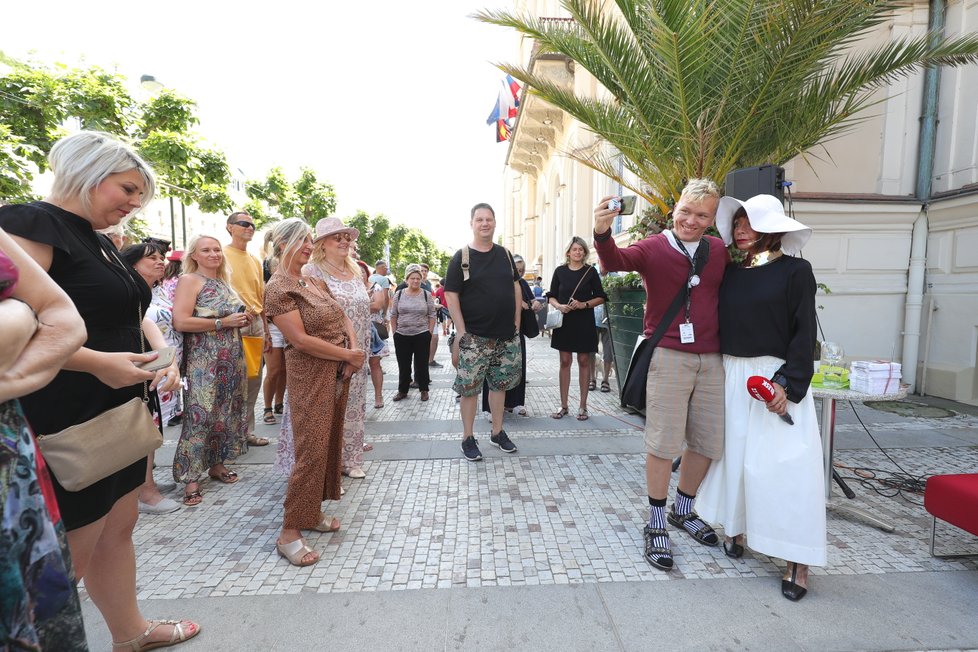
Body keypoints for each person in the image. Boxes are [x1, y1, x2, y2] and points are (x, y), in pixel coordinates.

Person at [0, 131, 199, 649]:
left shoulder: (94, 236)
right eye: (127, 189)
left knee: (118, 525)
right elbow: (17, 328)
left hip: (116, 406)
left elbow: (130, 309)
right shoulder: (29, 223)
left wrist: (160, 352)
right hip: (66, 410)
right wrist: (95, 365)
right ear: (87, 172)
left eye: (140, 196)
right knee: (67, 555)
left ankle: (130, 632)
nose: (134, 205)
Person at [593, 178, 728, 572]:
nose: (690, 220)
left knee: (707, 440)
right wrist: (602, 233)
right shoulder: (654, 247)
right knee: (664, 442)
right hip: (668, 354)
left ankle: (682, 509)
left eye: (701, 214)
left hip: (712, 356)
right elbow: (616, 262)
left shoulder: (717, 251)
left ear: (712, 218)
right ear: (675, 208)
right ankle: (655, 521)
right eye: (685, 210)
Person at [697, 194, 825, 601]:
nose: (740, 230)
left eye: (748, 222)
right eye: (736, 223)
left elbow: (804, 333)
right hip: (733, 374)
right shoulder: (731, 273)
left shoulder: (796, 271)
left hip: (775, 375)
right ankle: (736, 528)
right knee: (735, 458)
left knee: (785, 468)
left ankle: (797, 562)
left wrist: (788, 383)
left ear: (771, 227)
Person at [0, 226, 88, 650]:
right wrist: (18, 319)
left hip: (11, 455)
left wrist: (9, 378)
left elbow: (63, 317)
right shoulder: (34, 222)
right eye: (127, 188)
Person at [264, 218, 366, 566]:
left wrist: (354, 351)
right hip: (310, 377)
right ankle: (289, 532)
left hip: (338, 371)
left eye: (310, 241)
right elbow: (300, 340)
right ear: (281, 246)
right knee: (310, 452)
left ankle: (312, 513)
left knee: (327, 446)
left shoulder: (310, 277)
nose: (308, 246)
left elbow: (342, 316)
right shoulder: (278, 288)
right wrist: (348, 355)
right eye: (300, 241)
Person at [171, 234, 250, 506]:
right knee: (200, 415)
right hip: (204, 361)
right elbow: (181, 321)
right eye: (206, 250)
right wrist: (223, 322)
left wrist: (242, 318)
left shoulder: (222, 282)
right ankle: (190, 477)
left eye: (217, 249)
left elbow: (227, 316)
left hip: (231, 358)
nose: (214, 254)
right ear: (194, 255)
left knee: (224, 414)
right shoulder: (189, 280)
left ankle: (216, 464)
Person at [444, 203, 522, 462]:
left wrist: (517, 324)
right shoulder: (461, 257)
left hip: (505, 336)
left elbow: (516, 287)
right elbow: (451, 295)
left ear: (495, 222)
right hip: (475, 337)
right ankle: (468, 437)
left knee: (499, 386)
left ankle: (497, 432)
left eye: (489, 219)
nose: (485, 223)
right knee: (469, 390)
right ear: (472, 223)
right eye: (480, 219)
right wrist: (462, 331)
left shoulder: (505, 255)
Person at [305, 217, 371, 479]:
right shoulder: (312, 271)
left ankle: (351, 459)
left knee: (355, 404)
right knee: (329, 409)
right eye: (337, 237)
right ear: (322, 244)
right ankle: (328, 470)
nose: (344, 241)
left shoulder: (355, 270)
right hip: (331, 350)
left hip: (359, 349)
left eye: (347, 237)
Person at [120, 241, 182, 516]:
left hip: (159, 366)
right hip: (140, 367)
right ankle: (146, 493)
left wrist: (169, 360)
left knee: (154, 427)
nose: (160, 261)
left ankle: (148, 484)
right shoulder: (128, 291)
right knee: (145, 428)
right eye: (151, 258)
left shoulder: (156, 290)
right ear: (132, 264)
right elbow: (143, 322)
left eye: (161, 257)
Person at [223, 211, 270, 447]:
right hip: (232, 323)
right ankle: (230, 435)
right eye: (244, 224)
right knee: (233, 380)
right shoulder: (220, 254)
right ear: (230, 227)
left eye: (252, 225)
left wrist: (266, 329)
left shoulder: (255, 259)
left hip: (256, 324)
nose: (249, 228)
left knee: (253, 378)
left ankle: (246, 432)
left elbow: (260, 294)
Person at [547, 237, 606, 421]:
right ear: (568, 252)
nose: (578, 252)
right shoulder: (559, 271)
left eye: (581, 249)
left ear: (585, 252)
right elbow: (551, 296)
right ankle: (563, 405)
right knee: (564, 361)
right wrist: (559, 306)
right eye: (575, 249)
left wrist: (584, 304)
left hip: (584, 320)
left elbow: (601, 297)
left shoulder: (590, 272)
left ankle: (583, 406)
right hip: (565, 321)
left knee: (583, 361)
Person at [481, 254, 535, 418]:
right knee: (491, 369)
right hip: (493, 331)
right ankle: (490, 408)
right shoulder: (493, 282)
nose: (518, 273)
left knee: (517, 367)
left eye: (521, 270)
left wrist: (531, 304)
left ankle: (515, 403)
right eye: (516, 269)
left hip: (516, 331)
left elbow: (531, 301)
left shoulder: (523, 283)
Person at [390, 264, 437, 402]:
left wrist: (429, 332)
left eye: (418, 278)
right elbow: (393, 315)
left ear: (421, 280)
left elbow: (432, 315)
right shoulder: (398, 294)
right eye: (412, 278)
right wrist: (394, 332)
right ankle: (402, 390)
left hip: (421, 334)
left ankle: (424, 389)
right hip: (402, 334)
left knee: (422, 363)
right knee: (403, 364)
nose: (415, 281)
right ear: (407, 279)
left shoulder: (425, 294)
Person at [262, 232, 287, 424]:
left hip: (289, 328)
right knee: (273, 370)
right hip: (272, 328)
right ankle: (267, 407)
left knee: (285, 369)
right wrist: (266, 332)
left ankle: (279, 403)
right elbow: (262, 308)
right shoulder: (266, 283)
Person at [359, 260, 389, 411]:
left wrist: (355, 306)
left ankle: (378, 396)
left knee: (375, 364)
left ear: (367, 273)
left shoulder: (375, 286)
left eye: (362, 271)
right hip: (355, 329)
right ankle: (357, 398)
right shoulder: (350, 288)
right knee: (356, 365)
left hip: (373, 330)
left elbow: (378, 305)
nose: (360, 273)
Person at [160, 249, 184, 425]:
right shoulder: (180, 281)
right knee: (177, 369)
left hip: (165, 326)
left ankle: (172, 408)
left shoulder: (164, 281)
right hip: (175, 328)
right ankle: (175, 409)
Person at [589, 267, 614, 393]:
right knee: (591, 350)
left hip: (608, 320)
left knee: (608, 352)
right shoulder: (592, 275)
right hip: (592, 319)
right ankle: (592, 379)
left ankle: (605, 380)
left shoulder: (615, 277)